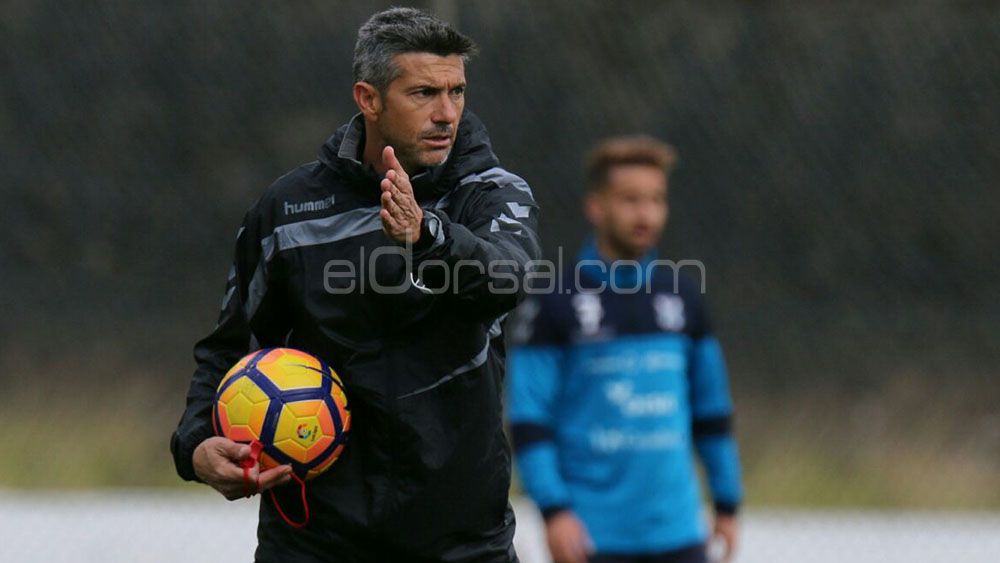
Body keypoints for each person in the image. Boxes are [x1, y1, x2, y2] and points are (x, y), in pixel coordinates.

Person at [170, 8, 541, 562]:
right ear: (368, 99)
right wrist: (196, 443)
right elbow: (230, 346)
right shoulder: (289, 211)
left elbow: (508, 279)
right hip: (315, 540)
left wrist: (428, 236)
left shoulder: (490, 194)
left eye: (456, 91)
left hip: (461, 542)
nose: (446, 114)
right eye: (423, 93)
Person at [506, 136, 743, 563]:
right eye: (630, 200)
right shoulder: (554, 301)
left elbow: (712, 411)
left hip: (680, 535)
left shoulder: (683, 297)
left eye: (656, 199)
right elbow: (529, 419)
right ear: (596, 206)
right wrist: (555, 511)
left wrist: (727, 503)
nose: (646, 213)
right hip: (592, 538)